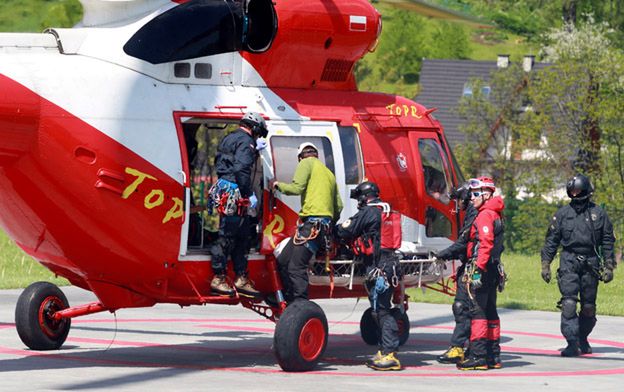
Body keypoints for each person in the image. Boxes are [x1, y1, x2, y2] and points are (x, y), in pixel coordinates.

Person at [540, 174, 616, 357]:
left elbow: (607, 241)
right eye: (571, 190)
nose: (574, 193)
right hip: (569, 261)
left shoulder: (599, 214)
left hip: (591, 262)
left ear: (585, 190)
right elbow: (551, 241)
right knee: (568, 303)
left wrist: (609, 266)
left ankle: (583, 338)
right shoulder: (562, 215)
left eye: (577, 190)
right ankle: (572, 342)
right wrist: (545, 264)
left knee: (589, 306)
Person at [334, 181, 403, 371]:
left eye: (359, 199)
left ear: (365, 197)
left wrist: (332, 229)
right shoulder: (385, 210)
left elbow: (346, 230)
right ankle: (384, 350)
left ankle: (390, 354)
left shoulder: (369, 212)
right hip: (389, 265)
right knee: (378, 310)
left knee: (382, 310)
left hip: (380, 267)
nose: (358, 203)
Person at [269, 142, 343, 303]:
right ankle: (286, 297)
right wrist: (329, 222)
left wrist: (277, 185)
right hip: (323, 227)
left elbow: (296, 188)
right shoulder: (329, 173)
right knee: (283, 259)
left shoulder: (305, 163)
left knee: (296, 266)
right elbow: (339, 206)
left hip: (312, 226)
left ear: (301, 156)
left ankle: (300, 303)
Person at [209, 111, 268, 298]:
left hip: (225, 188)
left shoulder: (230, 138)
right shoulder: (246, 142)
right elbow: (241, 168)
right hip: (235, 191)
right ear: (255, 127)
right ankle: (218, 277)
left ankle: (241, 277)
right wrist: (248, 193)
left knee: (242, 235)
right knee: (227, 234)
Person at [456, 176, 505, 371]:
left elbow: (485, 244)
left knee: (477, 311)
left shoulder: (485, 215)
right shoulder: (497, 212)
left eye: (476, 194)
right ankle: (493, 355)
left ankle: (478, 356)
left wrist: (476, 270)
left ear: (486, 195)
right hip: (493, 269)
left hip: (482, 270)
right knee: (491, 311)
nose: (472, 198)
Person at [434, 182, 478, 364]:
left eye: (459, 200)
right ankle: (470, 347)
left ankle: (459, 347)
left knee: (462, 307)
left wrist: (441, 255)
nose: (457, 204)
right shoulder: (471, 214)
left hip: (473, 268)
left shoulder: (474, 215)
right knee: (470, 308)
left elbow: (462, 242)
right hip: (471, 265)